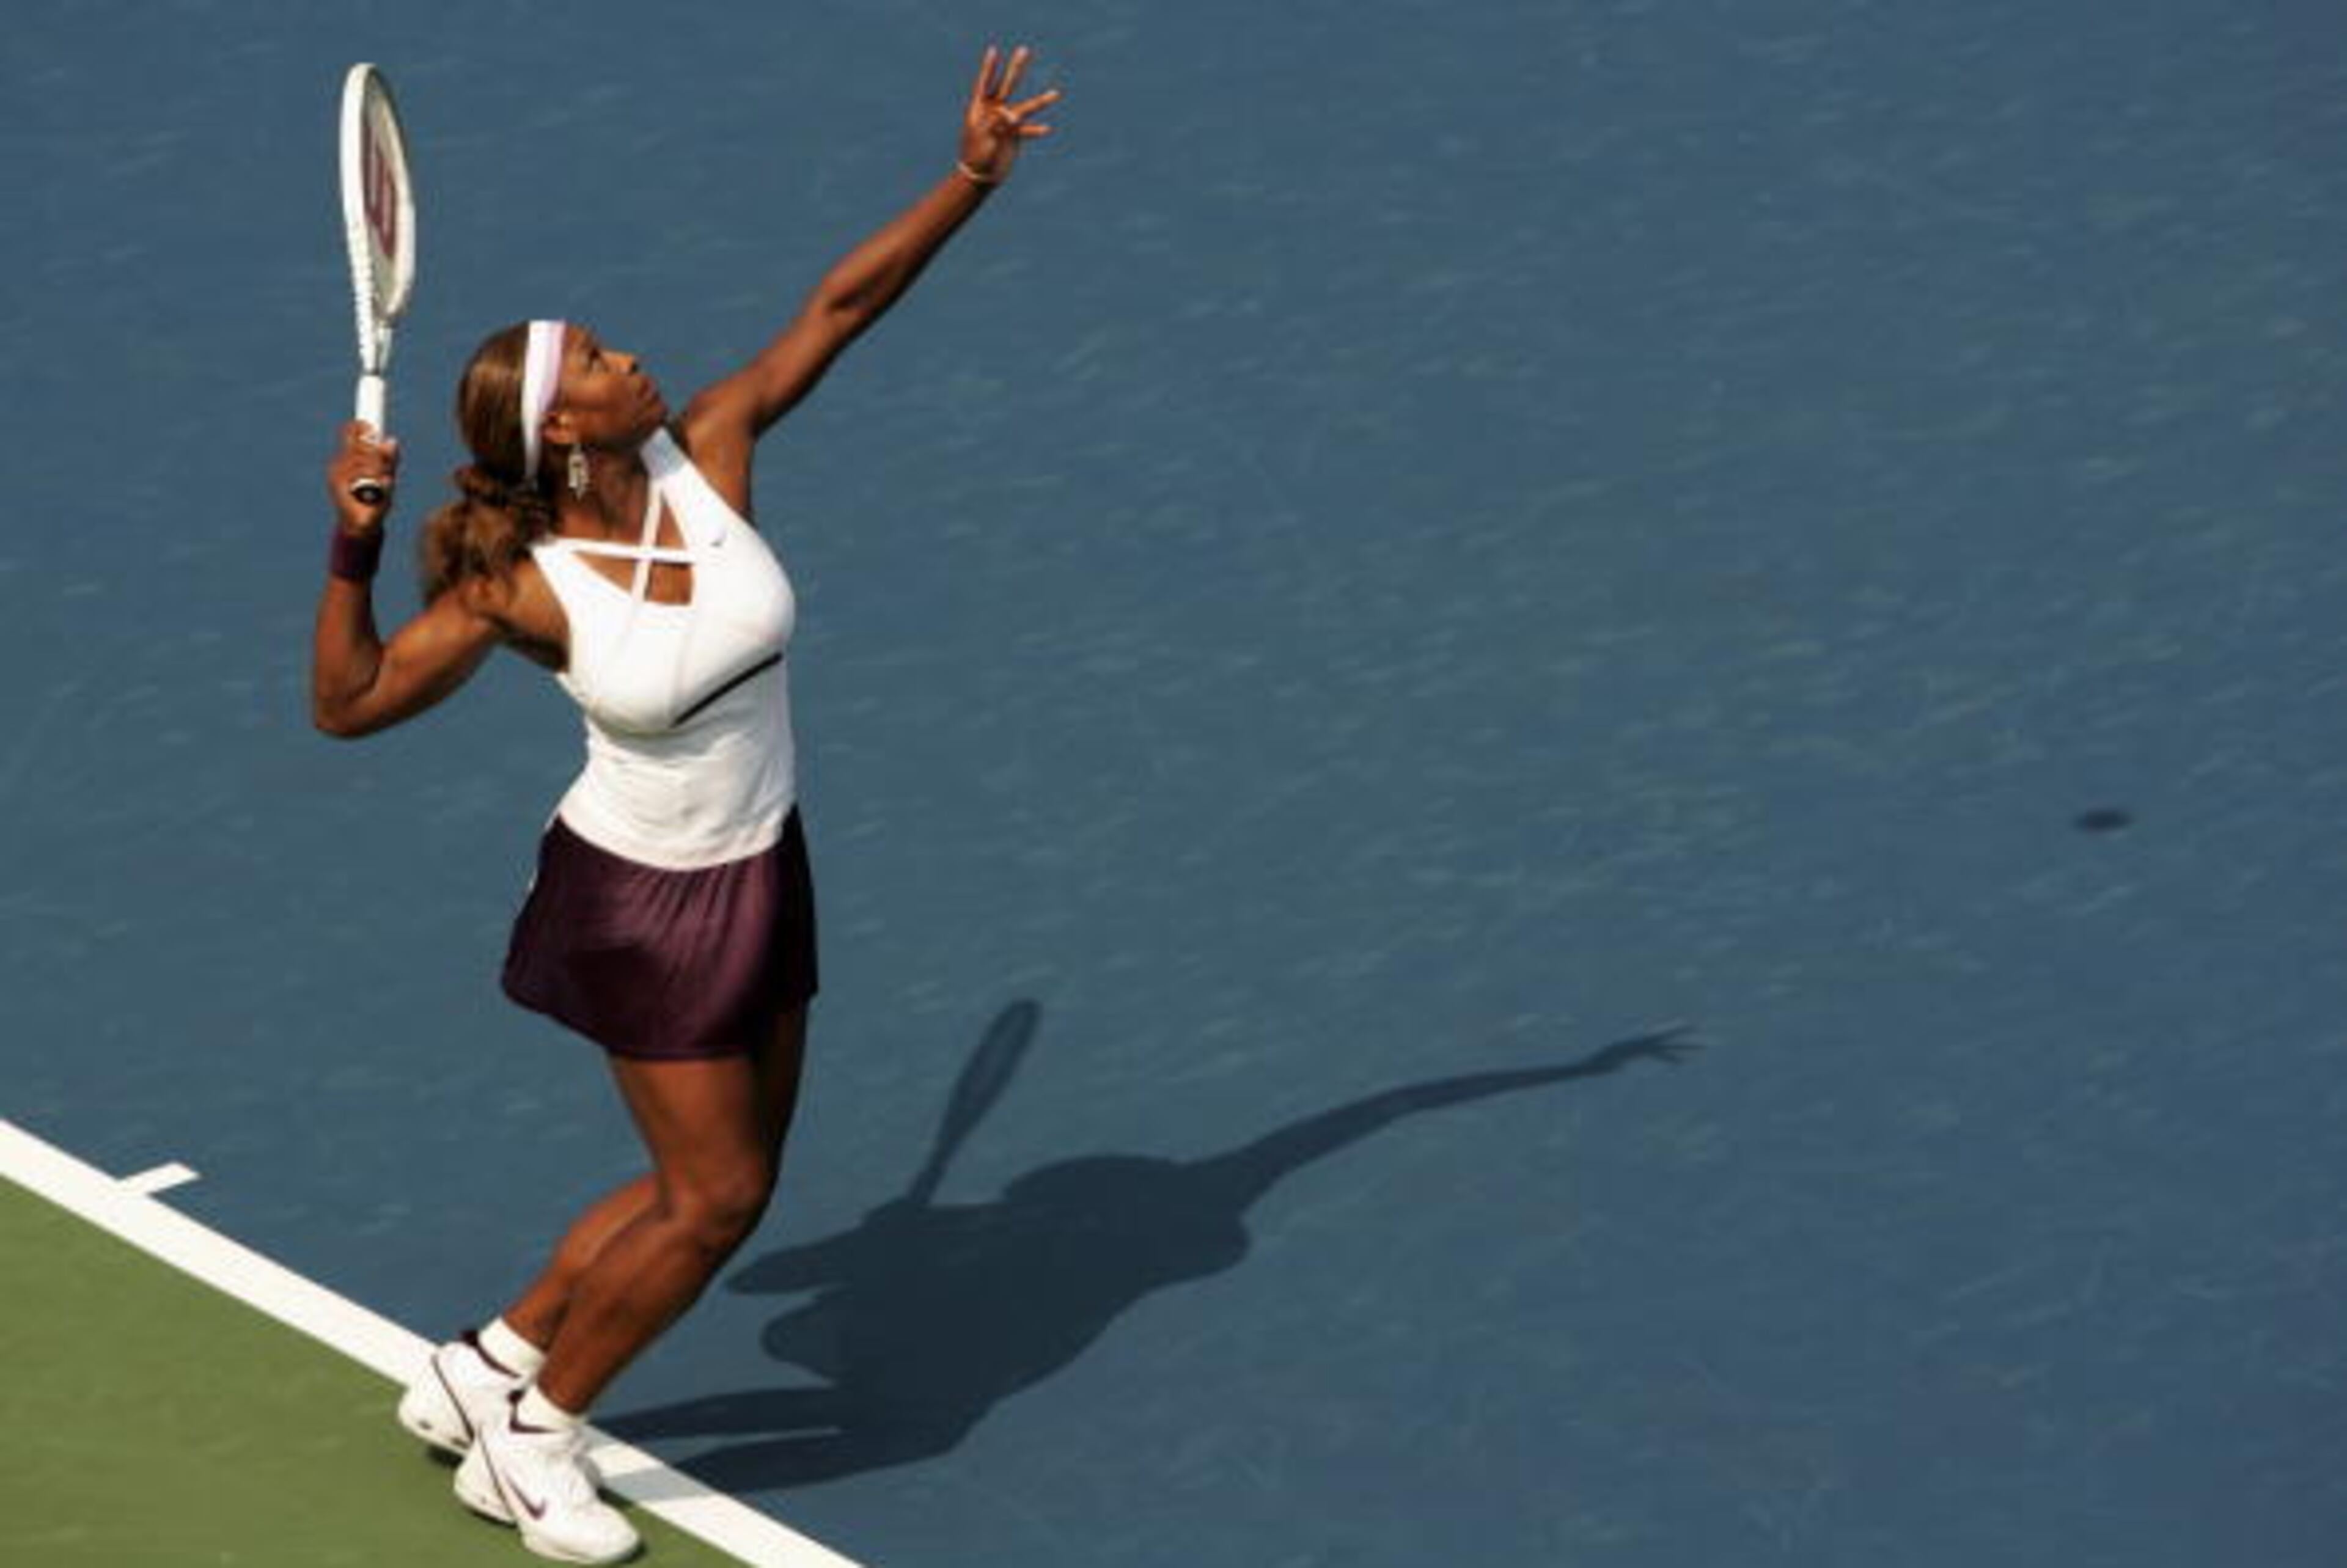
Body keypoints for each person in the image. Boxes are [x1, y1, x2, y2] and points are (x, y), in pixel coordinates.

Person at [310, 46, 1059, 1566]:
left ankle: (490, 1363)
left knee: (706, 1182)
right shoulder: (517, 585)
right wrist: (348, 552)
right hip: (642, 905)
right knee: (717, 1201)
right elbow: (353, 702)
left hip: (762, 864)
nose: (623, 355)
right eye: (589, 358)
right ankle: (537, 1438)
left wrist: (969, 180)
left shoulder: (706, 449)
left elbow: (837, 310)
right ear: (558, 430)